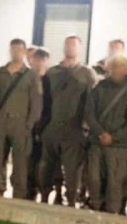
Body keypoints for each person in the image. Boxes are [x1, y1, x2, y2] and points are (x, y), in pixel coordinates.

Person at [38, 35, 97, 206]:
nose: (70, 48)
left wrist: (86, 128)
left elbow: (92, 103)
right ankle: (44, 197)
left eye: (74, 45)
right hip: (52, 127)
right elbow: (44, 100)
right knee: (46, 167)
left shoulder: (87, 74)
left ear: (80, 49)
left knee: (72, 171)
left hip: (74, 129)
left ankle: (71, 200)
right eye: (67, 45)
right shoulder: (52, 72)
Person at [84, 55, 127, 213]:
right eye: (113, 67)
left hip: (118, 147)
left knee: (114, 184)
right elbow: (89, 113)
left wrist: (113, 137)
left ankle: (112, 213)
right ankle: (95, 206)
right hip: (97, 142)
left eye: (118, 67)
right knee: (93, 179)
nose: (114, 71)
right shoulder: (99, 88)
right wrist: (100, 133)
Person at [0, 38, 43, 198]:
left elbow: (37, 101)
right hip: (1, 122)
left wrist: (30, 124)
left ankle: (19, 193)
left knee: (21, 162)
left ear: (25, 52)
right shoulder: (1, 72)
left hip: (21, 123)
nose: (15, 52)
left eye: (19, 49)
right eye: (13, 49)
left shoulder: (32, 75)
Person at [28, 47, 55, 200]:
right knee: (28, 161)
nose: (39, 63)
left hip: (44, 127)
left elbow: (50, 105)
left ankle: (43, 191)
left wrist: (41, 126)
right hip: (27, 126)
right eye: (36, 59)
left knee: (43, 163)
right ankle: (29, 190)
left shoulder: (49, 81)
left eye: (42, 60)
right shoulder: (27, 78)